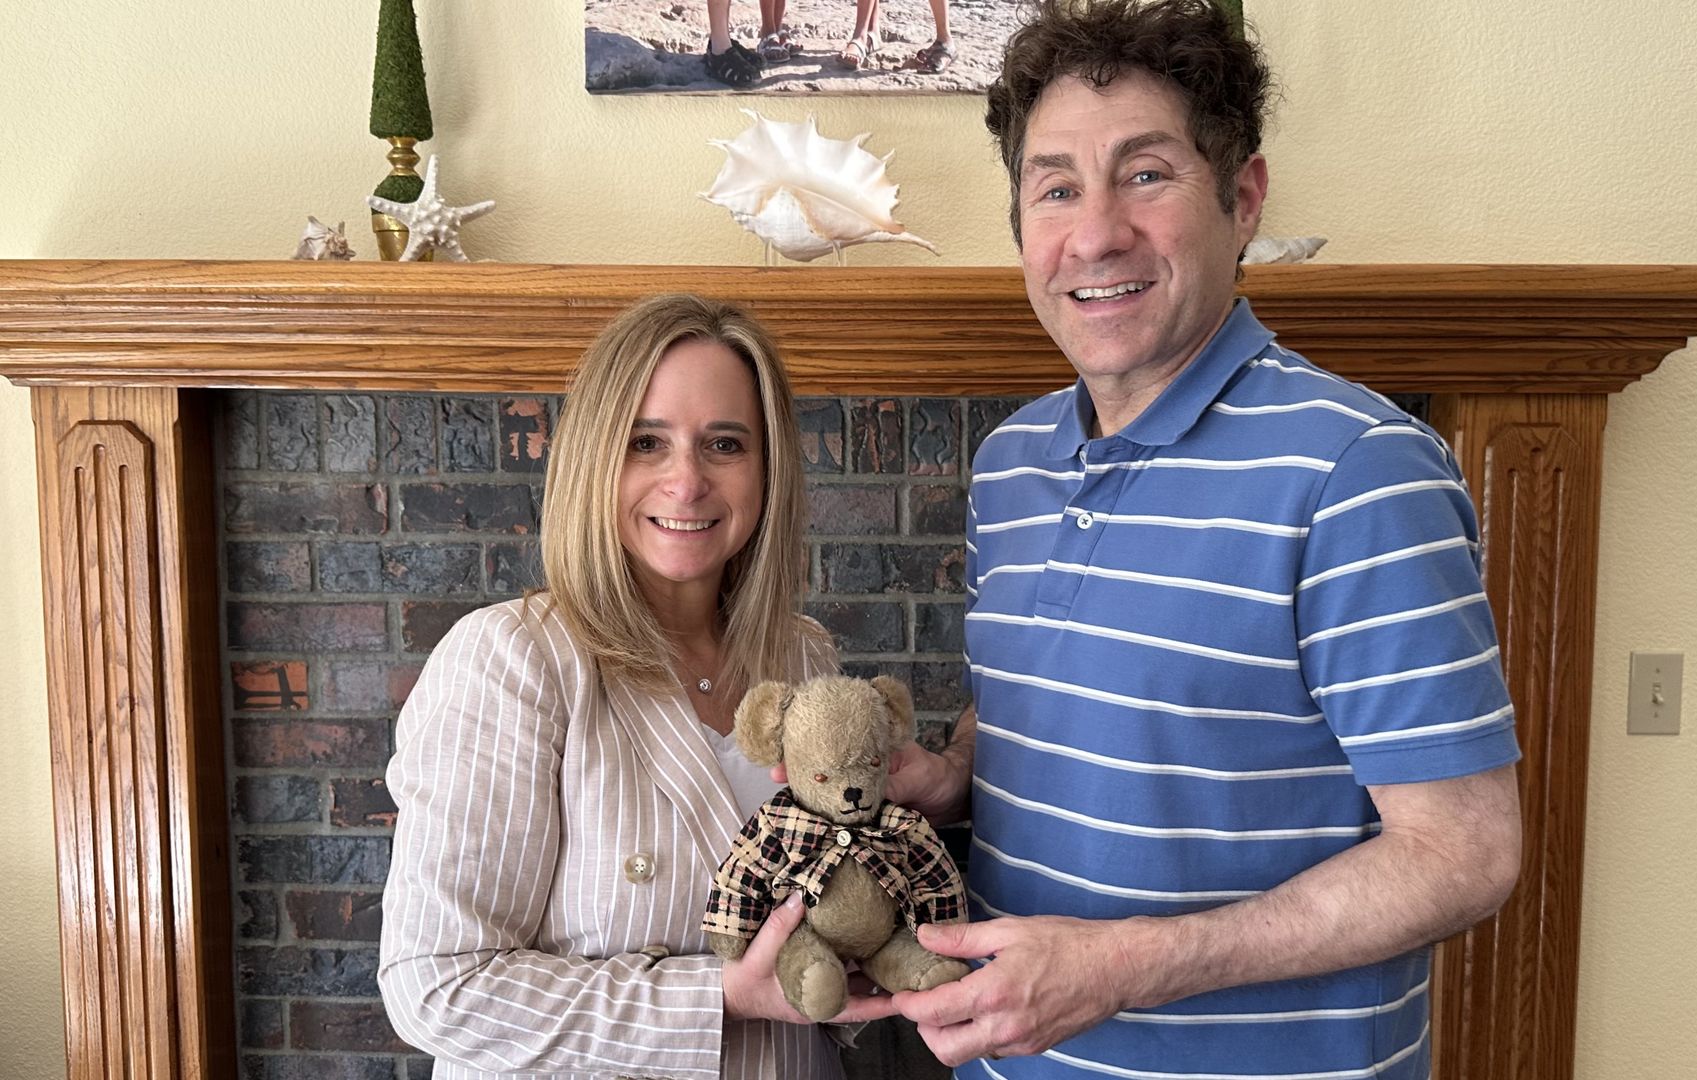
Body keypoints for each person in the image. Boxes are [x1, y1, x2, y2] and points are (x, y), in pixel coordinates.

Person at [882, 0, 1525, 1075]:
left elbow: (1463, 856)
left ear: (1242, 196)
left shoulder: (1357, 470)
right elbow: (1060, 696)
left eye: (1145, 174)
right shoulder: (1013, 464)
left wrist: (1125, 966)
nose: (1094, 233)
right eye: (1055, 188)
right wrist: (956, 774)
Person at [379, 294, 897, 1079]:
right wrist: (718, 996)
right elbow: (439, 985)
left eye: (724, 443)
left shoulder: (803, 655)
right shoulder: (512, 659)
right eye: (646, 442)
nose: (685, 482)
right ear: (595, 460)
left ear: (768, 471)